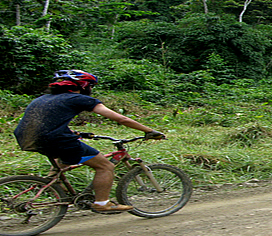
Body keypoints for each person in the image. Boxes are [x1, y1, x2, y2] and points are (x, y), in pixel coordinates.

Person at [13, 70, 166, 213]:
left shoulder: (42, 99)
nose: (91, 89)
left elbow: (44, 123)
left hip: (26, 138)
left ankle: (54, 181)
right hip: (54, 139)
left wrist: (73, 132)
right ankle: (102, 203)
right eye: (91, 86)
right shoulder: (80, 98)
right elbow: (121, 118)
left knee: (67, 152)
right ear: (84, 86)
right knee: (105, 166)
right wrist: (149, 131)